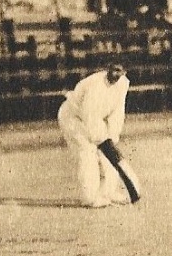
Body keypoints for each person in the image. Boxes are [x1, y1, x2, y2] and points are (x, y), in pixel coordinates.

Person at [57, 63, 132, 207]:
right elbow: (89, 116)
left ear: (124, 72)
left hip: (93, 119)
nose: (116, 74)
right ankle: (90, 198)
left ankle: (108, 192)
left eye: (120, 71)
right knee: (87, 150)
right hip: (72, 118)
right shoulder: (96, 85)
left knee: (108, 152)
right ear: (108, 69)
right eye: (114, 70)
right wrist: (102, 140)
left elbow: (118, 112)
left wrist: (112, 136)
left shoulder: (123, 84)